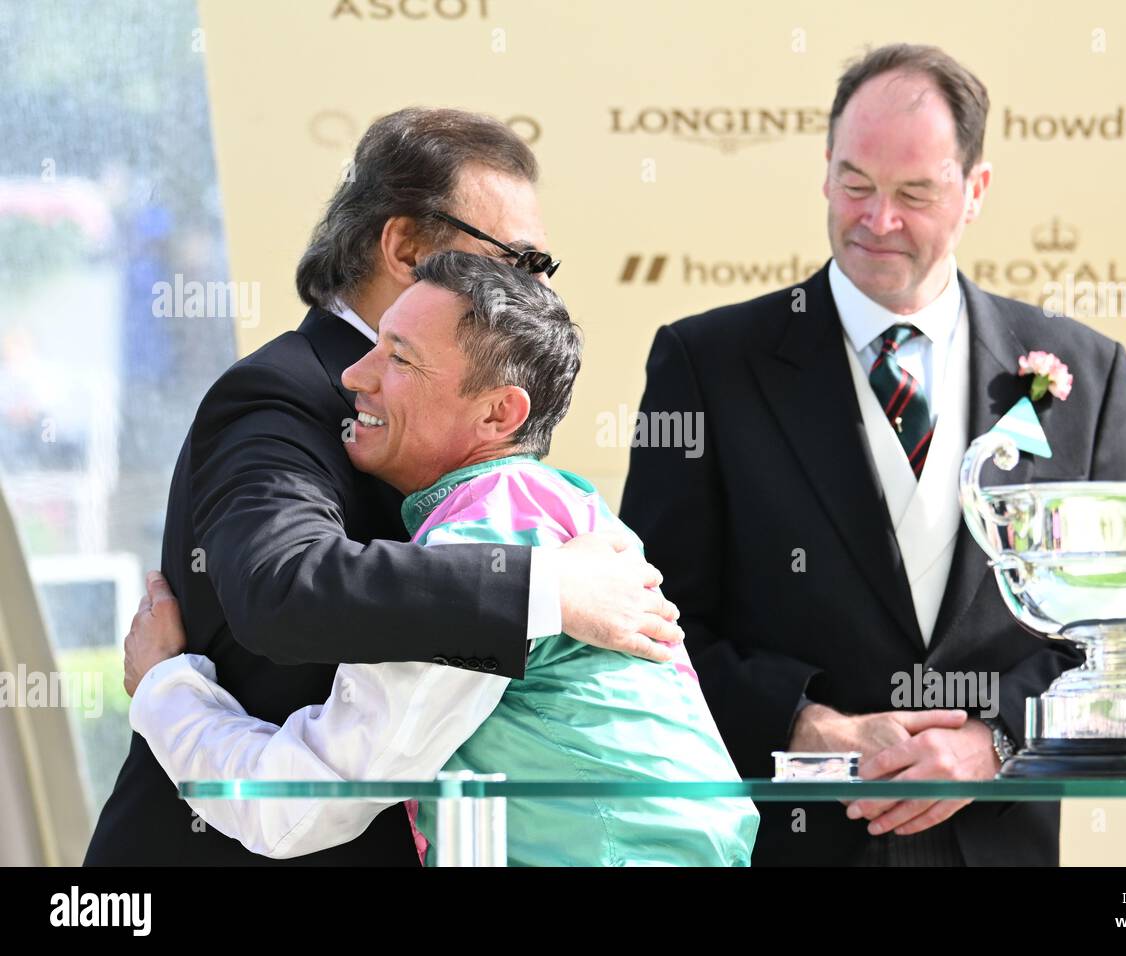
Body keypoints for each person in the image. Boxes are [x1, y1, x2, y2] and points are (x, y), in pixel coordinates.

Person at [86, 109, 682, 867]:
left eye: (540, 270)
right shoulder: (279, 394)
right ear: (403, 246)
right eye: (513, 261)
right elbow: (282, 585)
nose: (530, 293)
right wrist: (545, 585)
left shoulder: (482, 436)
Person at [618, 43, 1126, 866]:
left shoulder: (1085, 369)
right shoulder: (706, 363)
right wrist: (805, 724)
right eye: (856, 184)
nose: (878, 220)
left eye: (914, 193)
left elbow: (1122, 629)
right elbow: (652, 622)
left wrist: (995, 740)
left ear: (976, 191)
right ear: (825, 170)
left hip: (996, 846)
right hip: (791, 841)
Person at [124, 252, 758, 866]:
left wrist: (164, 691)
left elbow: (299, 804)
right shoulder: (557, 509)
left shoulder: (487, 537)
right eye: (376, 342)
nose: (354, 376)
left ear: (497, 411)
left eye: (400, 357)